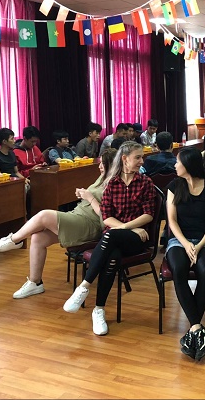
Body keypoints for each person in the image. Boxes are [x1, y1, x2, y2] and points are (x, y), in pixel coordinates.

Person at [0, 149, 118, 298]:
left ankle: (14, 240)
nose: (99, 166)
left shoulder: (116, 185)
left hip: (91, 224)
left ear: (112, 165)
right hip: (78, 216)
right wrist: (83, 194)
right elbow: (92, 197)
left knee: (44, 215)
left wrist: (90, 198)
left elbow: (106, 217)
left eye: (102, 164)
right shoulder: (103, 177)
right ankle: (35, 283)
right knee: (38, 238)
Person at [63, 141, 157, 336]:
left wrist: (125, 228)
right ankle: (99, 310)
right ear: (124, 159)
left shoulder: (145, 182)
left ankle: (84, 287)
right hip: (118, 236)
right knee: (112, 257)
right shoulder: (111, 184)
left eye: (142, 157)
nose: (142, 161)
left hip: (137, 239)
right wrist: (128, 228)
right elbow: (106, 218)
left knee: (111, 235)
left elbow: (148, 215)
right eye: (138, 157)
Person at [165, 148, 205, 360]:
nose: (175, 165)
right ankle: (197, 327)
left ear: (188, 164)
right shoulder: (174, 186)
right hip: (179, 240)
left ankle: (193, 330)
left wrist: (197, 246)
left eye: (178, 162)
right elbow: (172, 221)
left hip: (204, 241)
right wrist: (186, 244)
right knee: (179, 268)